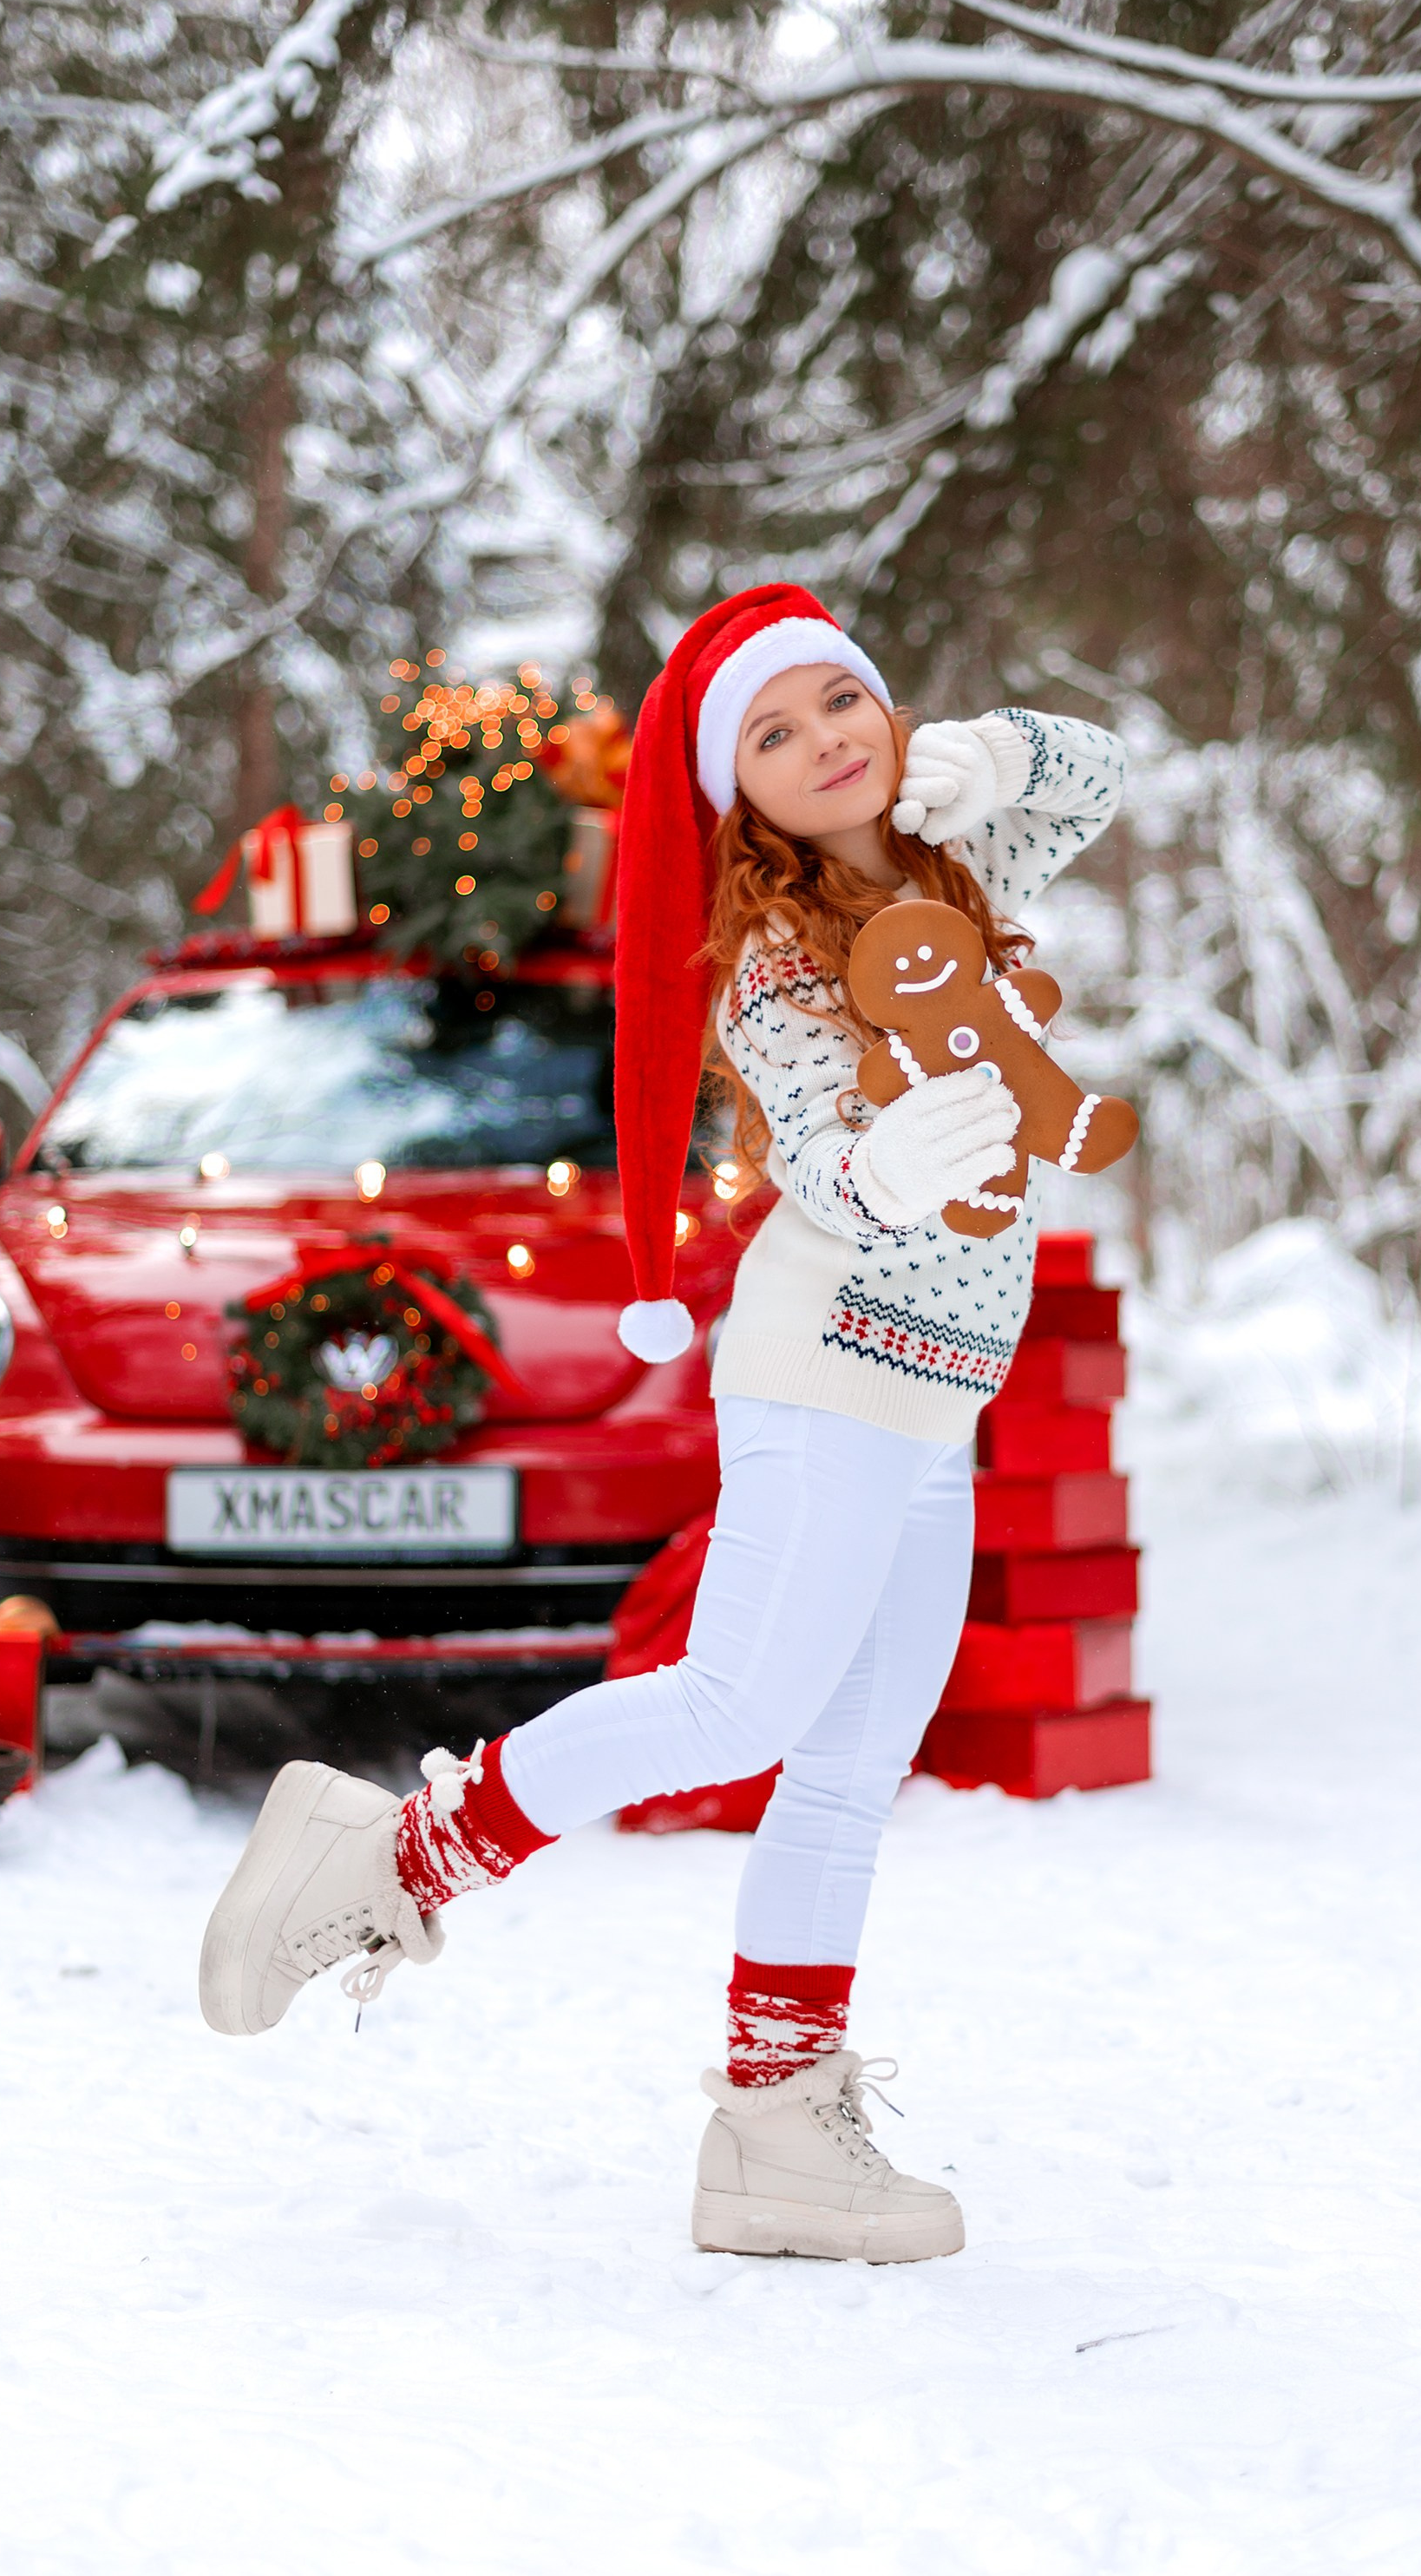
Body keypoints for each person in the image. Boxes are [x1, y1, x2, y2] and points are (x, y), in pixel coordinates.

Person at [198, 582, 1135, 2265]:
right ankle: (394, 1856)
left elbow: (1103, 773)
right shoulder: (770, 955)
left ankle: (779, 2128)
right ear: (737, 793)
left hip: (939, 1397)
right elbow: (815, 1146)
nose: (826, 742)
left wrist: (992, 756)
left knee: (850, 1764)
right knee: (737, 1701)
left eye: (840, 701)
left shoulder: (959, 871)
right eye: (772, 735)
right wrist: (875, 1169)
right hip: (828, 1356)